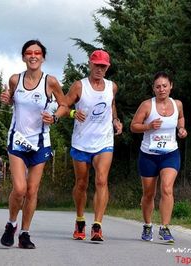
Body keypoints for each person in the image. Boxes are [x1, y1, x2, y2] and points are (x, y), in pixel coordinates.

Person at [0, 39, 67, 249]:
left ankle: (25, 233)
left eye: (37, 53)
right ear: (23, 57)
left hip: (40, 142)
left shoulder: (51, 82)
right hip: (18, 139)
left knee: (32, 190)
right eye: (29, 53)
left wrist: (55, 117)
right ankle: (11, 224)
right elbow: (11, 99)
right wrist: (6, 98)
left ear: (43, 57)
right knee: (19, 188)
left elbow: (64, 104)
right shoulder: (14, 79)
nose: (33, 56)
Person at [65, 50, 123, 241]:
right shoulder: (79, 86)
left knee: (101, 180)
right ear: (90, 64)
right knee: (81, 183)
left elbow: (112, 104)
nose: (99, 69)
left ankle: (97, 225)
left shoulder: (111, 87)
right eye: (96, 65)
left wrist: (115, 120)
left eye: (103, 66)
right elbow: (63, 106)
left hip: (104, 141)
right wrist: (73, 114)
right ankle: (80, 220)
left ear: (107, 67)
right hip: (81, 142)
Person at [130, 71, 188, 243]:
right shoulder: (147, 105)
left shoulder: (177, 104)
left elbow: (181, 118)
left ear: (171, 86)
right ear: (153, 89)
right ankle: (148, 225)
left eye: (164, 86)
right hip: (148, 155)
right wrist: (148, 126)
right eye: (158, 86)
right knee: (148, 194)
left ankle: (165, 227)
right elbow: (133, 126)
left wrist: (181, 129)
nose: (161, 89)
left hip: (170, 154)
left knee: (167, 188)